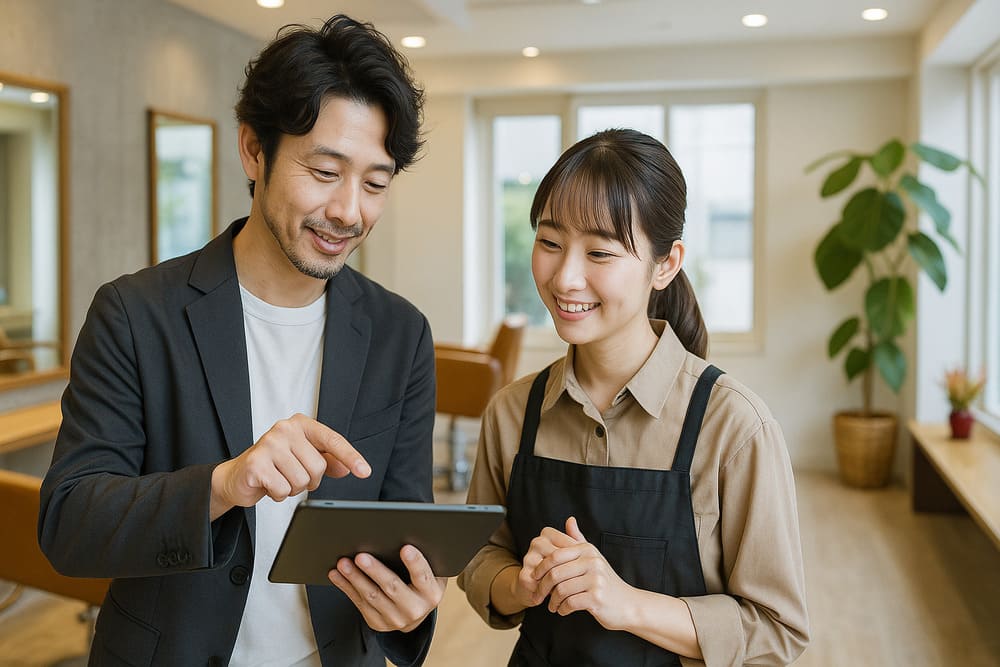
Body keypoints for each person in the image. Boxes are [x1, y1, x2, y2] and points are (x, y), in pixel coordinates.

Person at [38, 15, 445, 667]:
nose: (349, 211)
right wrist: (225, 483)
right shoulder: (135, 313)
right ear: (254, 150)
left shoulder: (400, 333)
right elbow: (70, 522)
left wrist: (411, 599)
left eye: (374, 183)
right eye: (325, 171)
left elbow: (403, 528)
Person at [458, 129, 809, 666]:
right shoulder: (512, 412)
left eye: (599, 252)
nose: (566, 277)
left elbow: (777, 631)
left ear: (665, 264)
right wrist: (521, 584)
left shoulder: (735, 428)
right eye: (549, 243)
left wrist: (624, 604)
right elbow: (482, 558)